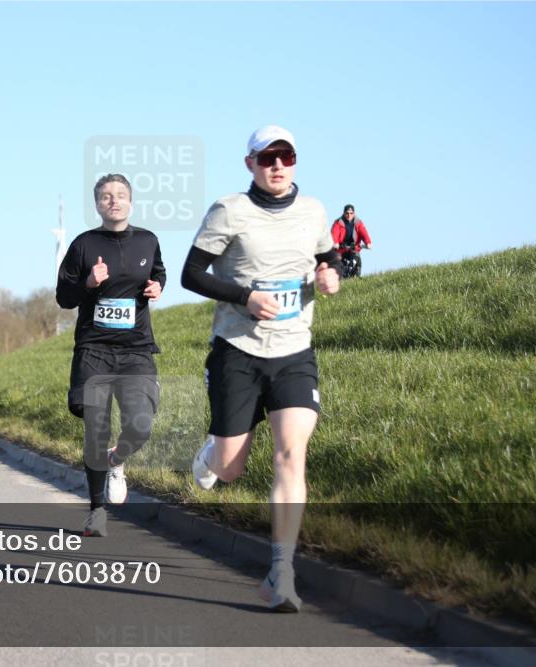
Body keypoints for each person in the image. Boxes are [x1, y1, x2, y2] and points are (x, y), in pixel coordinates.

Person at [180, 125, 341, 612]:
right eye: (267, 158)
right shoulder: (230, 211)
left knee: (292, 455)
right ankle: (212, 454)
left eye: (285, 157)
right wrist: (244, 296)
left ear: (295, 162)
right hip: (237, 349)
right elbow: (192, 274)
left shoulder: (313, 210)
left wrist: (330, 273)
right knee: (231, 470)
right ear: (249, 163)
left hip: (294, 351)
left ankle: (281, 572)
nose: (277, 166)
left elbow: (328, 255)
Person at [56, 173, 166, 538]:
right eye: (106, 196)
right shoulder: (83, 245)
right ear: (97, 204)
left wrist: (157, 286)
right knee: (96, 427)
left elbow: (159, 271)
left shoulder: (148, 241)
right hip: (95, 350)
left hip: (136, 350)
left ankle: (116, 462)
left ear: (130, 202)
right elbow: (64, 297)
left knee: (141, 423)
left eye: (119, 195)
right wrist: (88, 282)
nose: (113, 201)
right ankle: (96, 511)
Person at [330, 204, 372, 278]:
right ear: (344, 213)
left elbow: (363, 232)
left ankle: (356, 277)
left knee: (356, 258)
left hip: (354, 247)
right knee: (339, 264)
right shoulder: (338, 223)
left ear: (354, 213)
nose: (349, 215)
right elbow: (334, 233)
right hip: (341, 248)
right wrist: (335, 243)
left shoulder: (358, 222)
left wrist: (368, 243)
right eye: (347, 213)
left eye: (351, 213)